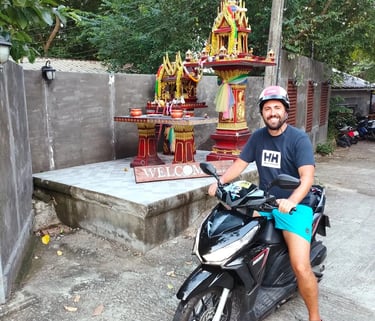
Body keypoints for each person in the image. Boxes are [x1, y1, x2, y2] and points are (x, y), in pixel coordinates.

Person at [208, 85, 322, 321]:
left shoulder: (298, 139)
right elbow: (240, 164)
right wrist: (219, 183)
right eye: (267, 108)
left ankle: (315, 316)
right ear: (262, 113)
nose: (272, 113)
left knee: (300, 266)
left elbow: (307, 178)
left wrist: (291, 201)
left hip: (295, 206)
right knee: (237, 240)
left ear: (285, 111)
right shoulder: (258, 137)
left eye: (277, 108)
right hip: (265, 202)